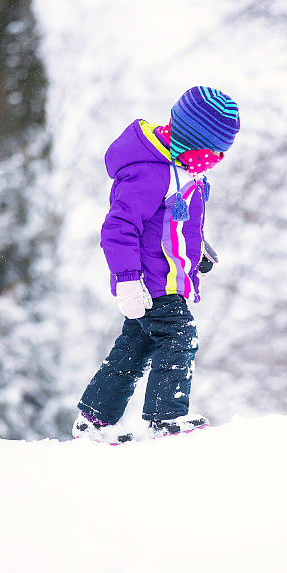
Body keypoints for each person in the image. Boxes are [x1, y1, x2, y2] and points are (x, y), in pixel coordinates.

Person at [73, 86, 240, 443]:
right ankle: (167, 417)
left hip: (166, 277)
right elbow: (118, 228)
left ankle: (95, 420)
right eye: (214, 151)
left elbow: (173, 223)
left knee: (136, 346)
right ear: (193, 139)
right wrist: (127, 279)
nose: (218, 159)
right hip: (151, 281)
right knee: (180, 335)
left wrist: (198, 252)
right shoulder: (152, 173)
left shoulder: (184, 170)